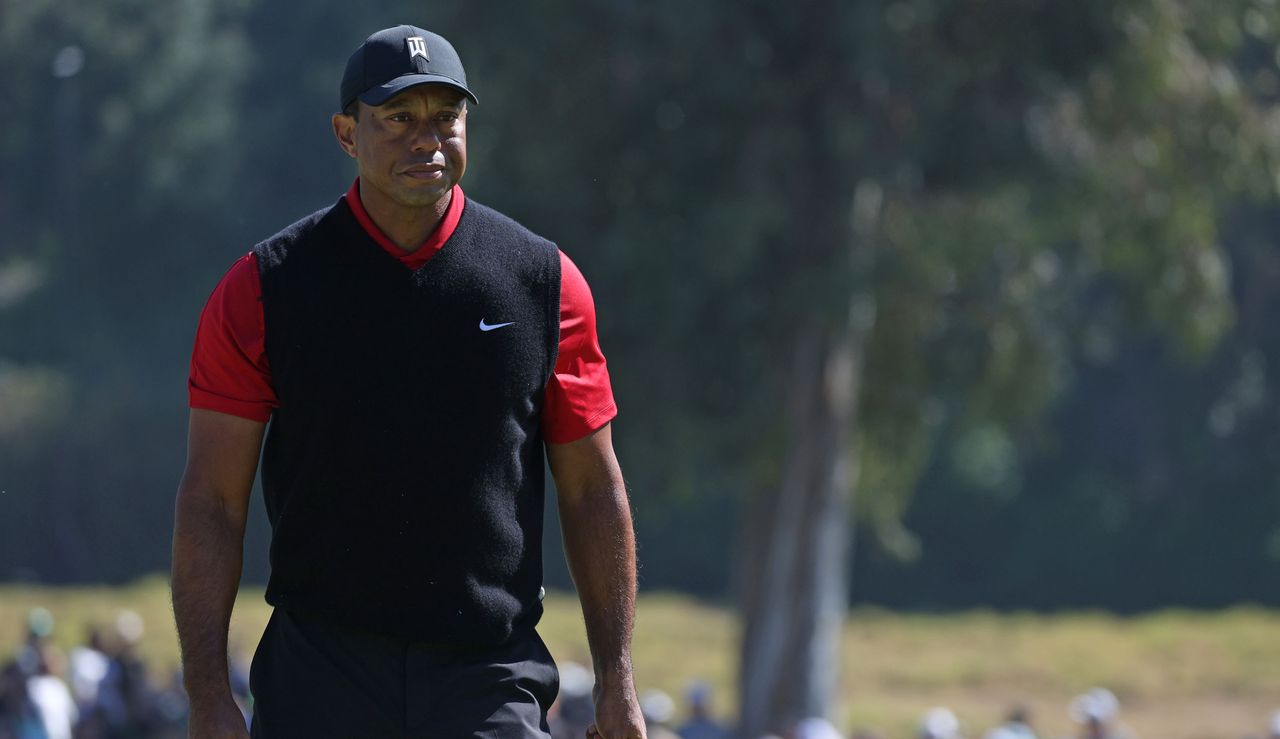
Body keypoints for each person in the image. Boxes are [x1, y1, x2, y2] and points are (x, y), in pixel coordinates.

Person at [171, 23, 644, 739]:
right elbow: (212, 500)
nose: (426, 138)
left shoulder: (545, 284)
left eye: (445, 116)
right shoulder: (264, 288)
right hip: (319, 672)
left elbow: (592, 490)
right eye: (397, 117)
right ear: (345, 133)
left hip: (487, 673)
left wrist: (618, 682)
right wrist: (207, 695)